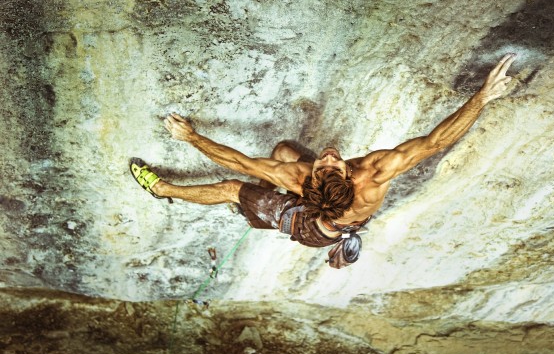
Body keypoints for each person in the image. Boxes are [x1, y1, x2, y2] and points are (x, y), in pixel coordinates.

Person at [131, 54, 516, 268]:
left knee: (234, 188)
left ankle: (165, 191)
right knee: (281, 150)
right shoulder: (335, 175)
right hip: (329, 211)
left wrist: (191, 137)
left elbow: (239, 166)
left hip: (312, 229)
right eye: (325, 164)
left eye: (329, 163)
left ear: (353, 176)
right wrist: (481, 97)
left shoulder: (339, 179)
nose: (328, 156)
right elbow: (433, 142)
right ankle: (255, 206)